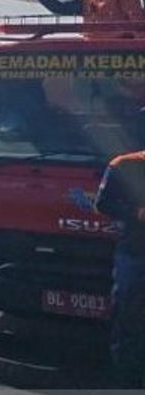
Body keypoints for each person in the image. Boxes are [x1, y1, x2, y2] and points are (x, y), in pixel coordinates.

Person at [96, 151, 145, 387]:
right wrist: (135, 213)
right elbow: (103, 203)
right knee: (128, 316)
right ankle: (127, 379)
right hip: (135, 254)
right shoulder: (124, 165)